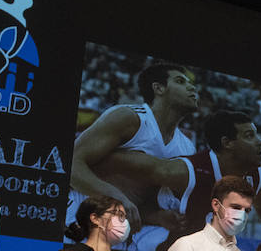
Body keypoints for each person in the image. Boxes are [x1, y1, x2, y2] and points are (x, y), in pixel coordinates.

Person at [96, 109, 261, 251]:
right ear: (227, 143)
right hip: (152, 249)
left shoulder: (255, 176)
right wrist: (85, 158)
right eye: (250, 136)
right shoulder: (186, 172)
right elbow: (109, 161)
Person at [66, 62, 199, 241]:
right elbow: (71, 163)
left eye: (190, 83)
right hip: (83, 216)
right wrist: (115, 197)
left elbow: (140, 201)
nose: (192, 87)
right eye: (180, 81)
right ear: (159, 88)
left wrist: (157, 216)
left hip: (126, 229)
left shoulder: (187, 147)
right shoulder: (129, 118)